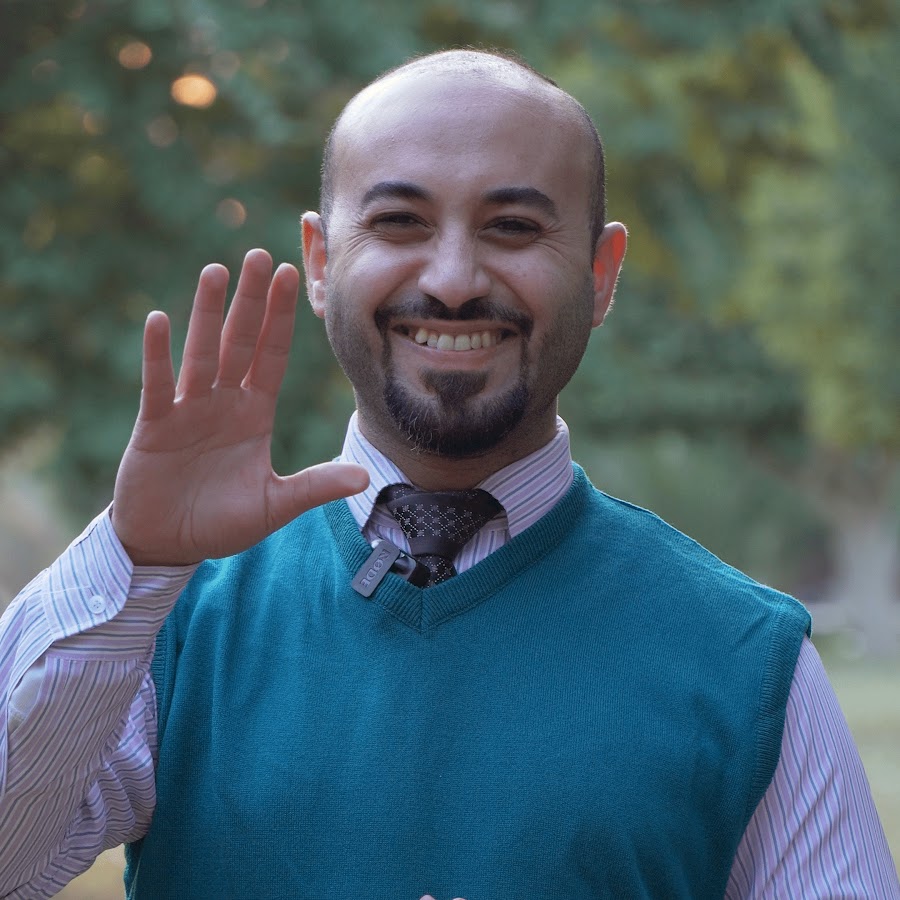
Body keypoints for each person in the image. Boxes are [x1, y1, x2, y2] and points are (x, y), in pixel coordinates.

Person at [0, 49, 897, 900]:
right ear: (321, 261)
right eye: (400, 222)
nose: (456, 279)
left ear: (601, 271)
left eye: (514, 227)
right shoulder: (169, 612)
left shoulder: (748, 661)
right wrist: (136, 557)